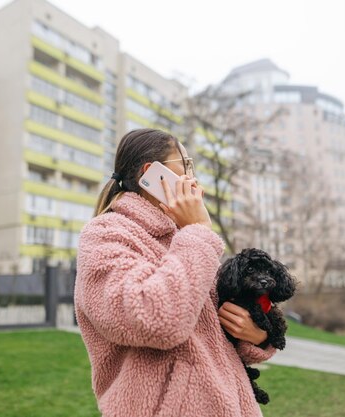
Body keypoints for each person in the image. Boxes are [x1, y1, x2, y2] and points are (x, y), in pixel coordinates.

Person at [74, 128, 276, 417]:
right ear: (152, 174)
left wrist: (256, 335)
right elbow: (156, 319)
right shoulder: (106, 234)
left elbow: (215, 333)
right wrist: (197, 232)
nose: (193, 179)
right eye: (186, 166)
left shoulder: (183, 239)